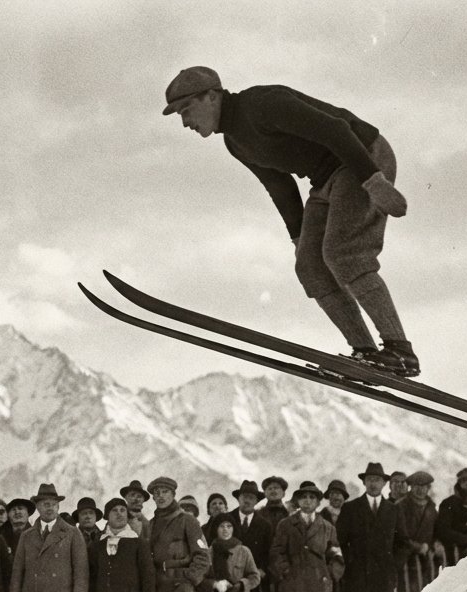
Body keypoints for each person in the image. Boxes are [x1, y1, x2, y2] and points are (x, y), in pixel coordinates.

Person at [161, 66, 418, 375]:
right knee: (310, 266)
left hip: (362, 157)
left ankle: (399, 352)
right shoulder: (235, 142)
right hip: (325, 180)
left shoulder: (262, 104)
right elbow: (278, 185)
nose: (185, 121)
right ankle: (366, 355)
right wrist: (299, 238)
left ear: (212, 97)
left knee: (343, 254)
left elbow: (335, 129)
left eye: (186, 109)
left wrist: (373, 181)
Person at [337, 463, 405, 592]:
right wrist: (349, 564)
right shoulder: (350, 508)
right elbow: (339, 541)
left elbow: (403, 543)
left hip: (383, 580)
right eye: (369, 480)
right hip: (356, 579)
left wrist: (393, 566)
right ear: (364, 483)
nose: (373, 483)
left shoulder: (393, 510)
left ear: (384, 483)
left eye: (377, 480)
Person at [435, 468, 467, 564]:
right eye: (464, 480)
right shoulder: (448, 503)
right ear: (459, 483)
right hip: (454, 551)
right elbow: (443, 530)